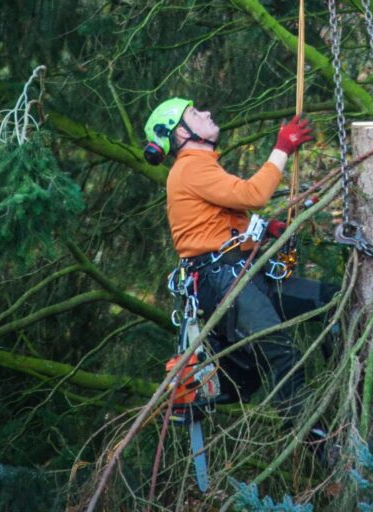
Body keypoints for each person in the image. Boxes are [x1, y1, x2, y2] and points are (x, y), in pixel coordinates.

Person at [143, 97, 338, 419]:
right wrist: (282, 148)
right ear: (180, 133)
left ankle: (346, 385)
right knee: (282, 354)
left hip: (241, 274)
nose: (206, 112)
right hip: (225, 280)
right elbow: (253, 195)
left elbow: (217, 222)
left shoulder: (199, 166)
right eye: (194, 113)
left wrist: (261, 230)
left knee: (332, 300)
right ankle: (313, 438)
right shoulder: (191, 167)